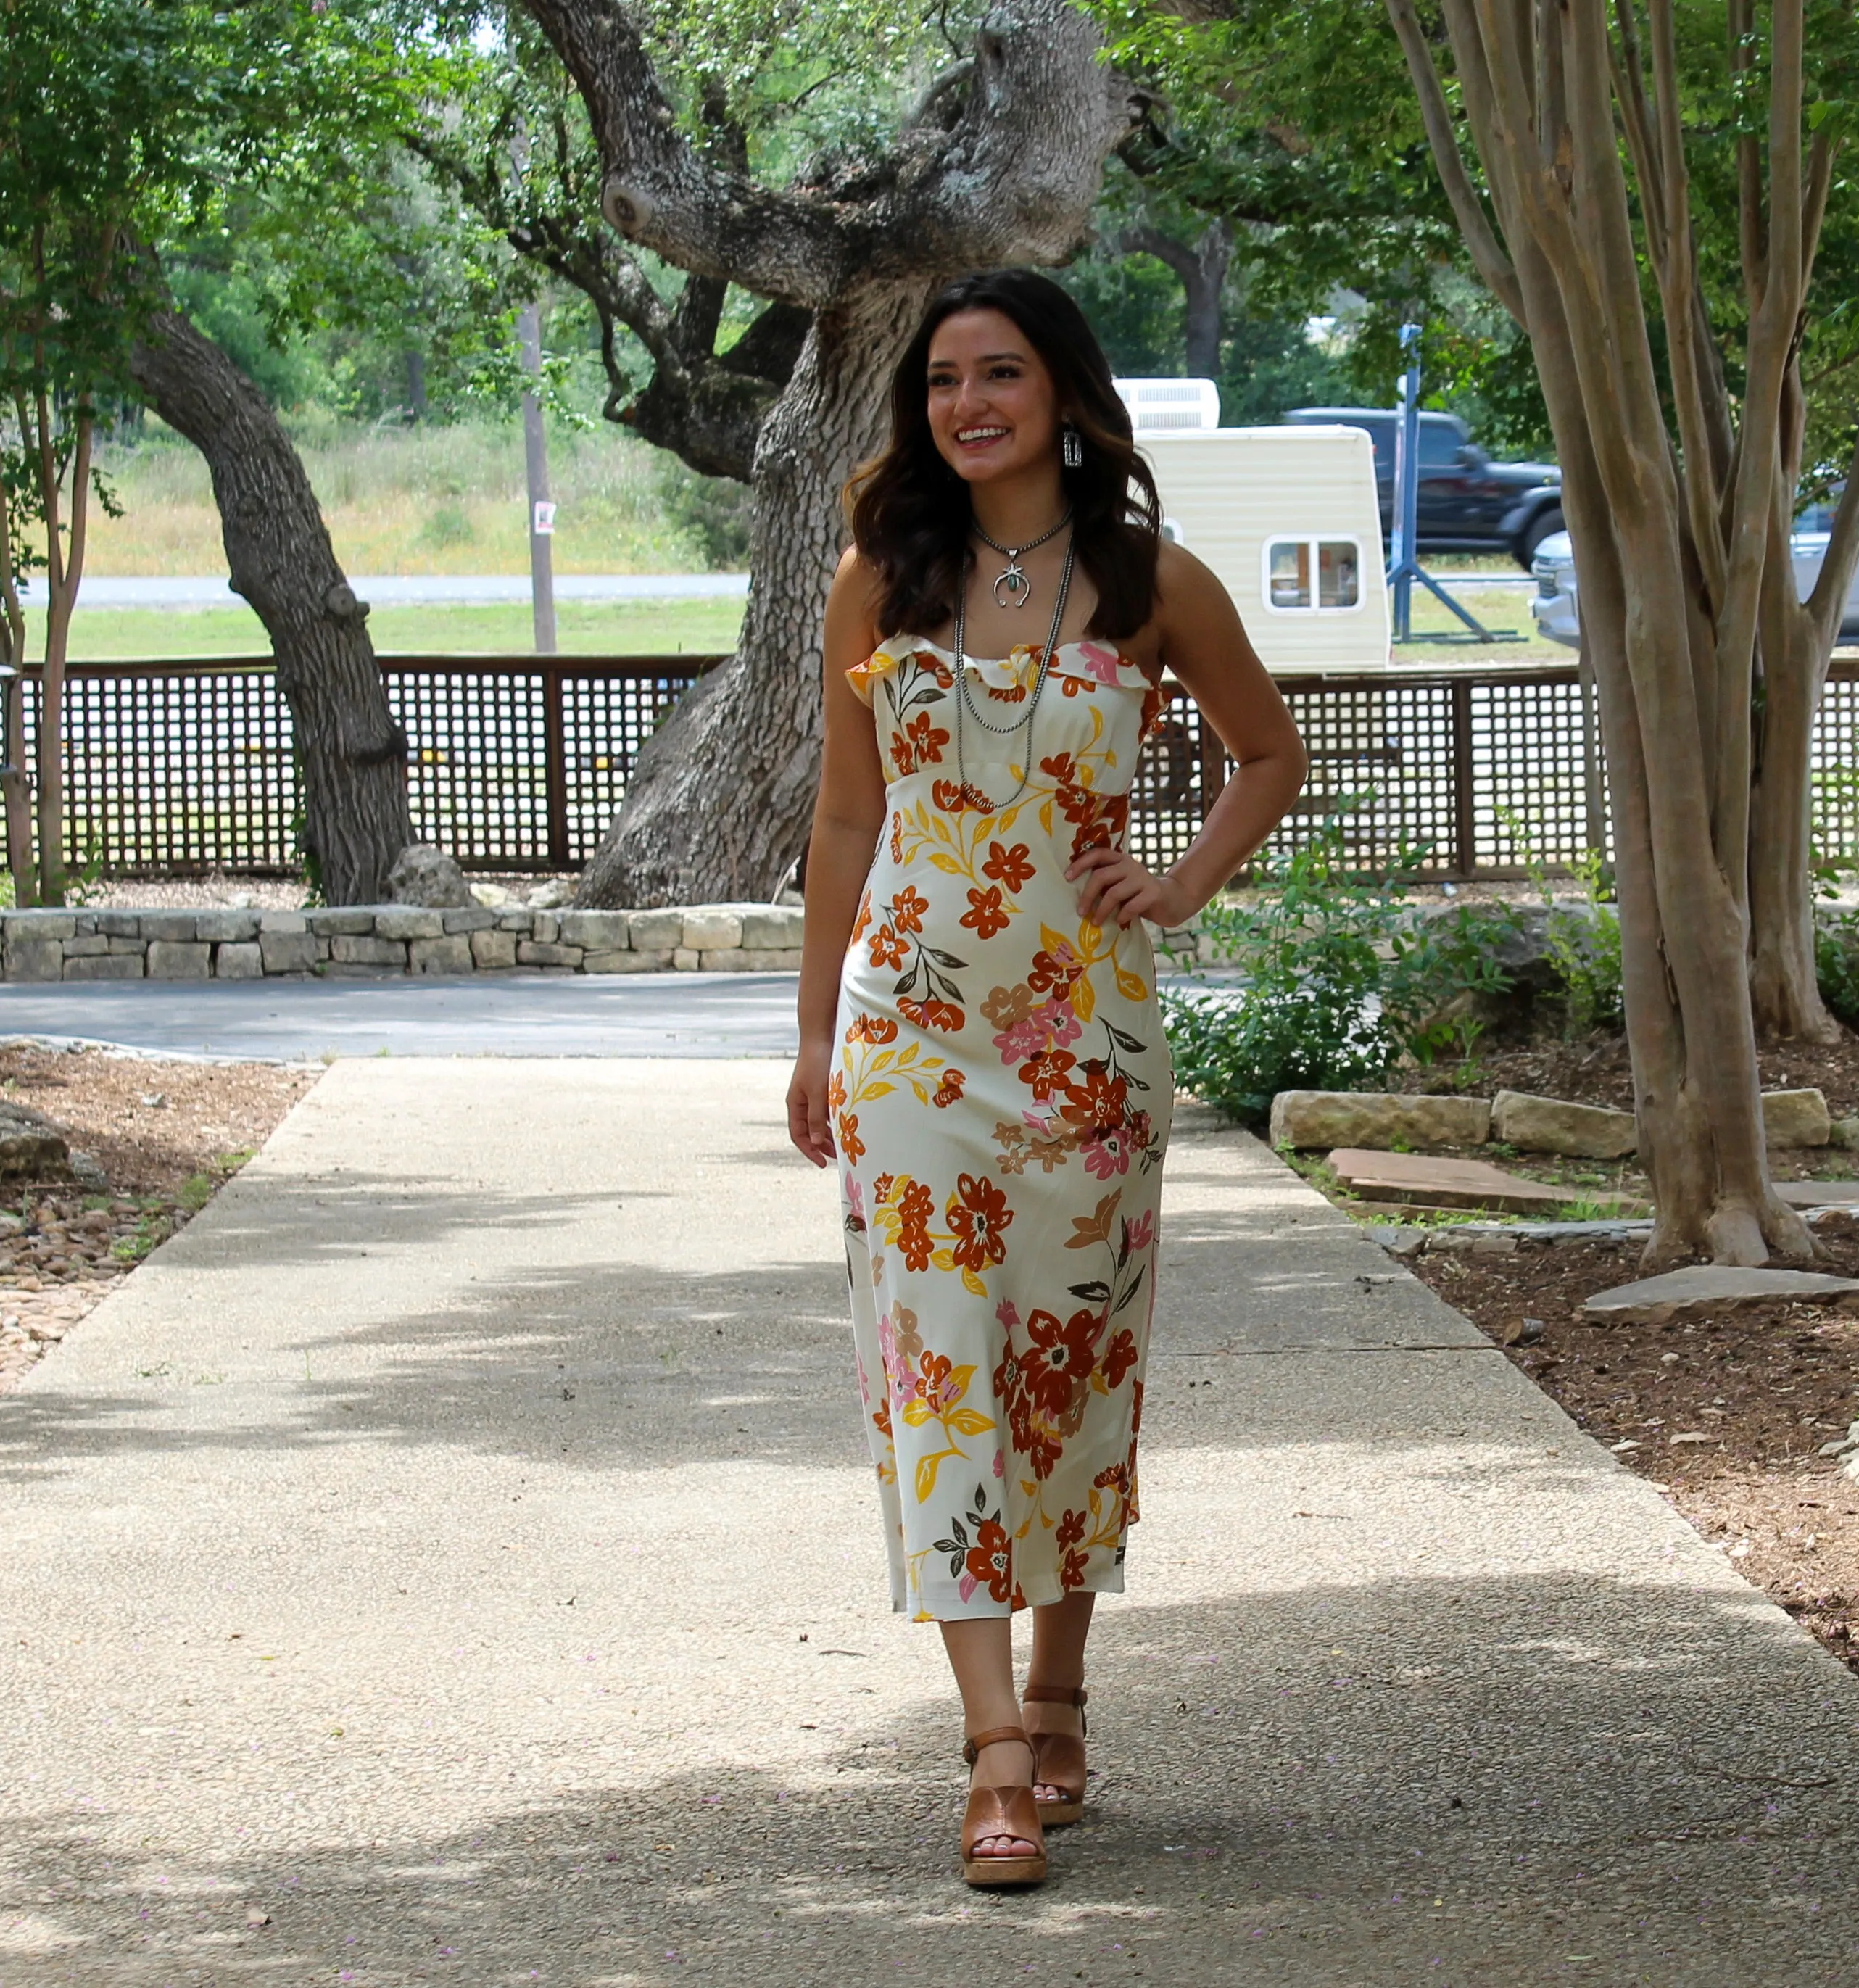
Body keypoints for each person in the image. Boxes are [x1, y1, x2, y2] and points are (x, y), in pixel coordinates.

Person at [787, 268, 1307, 1888]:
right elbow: (845, 821)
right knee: (939, 1369)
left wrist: (1186, 883)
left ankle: (1067, 1689)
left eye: (999, 371)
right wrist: (811, 1035)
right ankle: (995, 1753)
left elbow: (1266, 749)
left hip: (1087, 1042)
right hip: (915, 1044)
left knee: (1068, 1370)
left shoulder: (1151, 582)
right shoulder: (880, 577)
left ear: (1066, 393)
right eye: (943, 379)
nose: (967, 402)